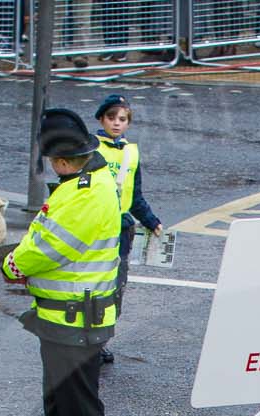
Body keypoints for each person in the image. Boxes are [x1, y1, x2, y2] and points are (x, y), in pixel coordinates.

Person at [0, 108, 122, 416]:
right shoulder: (85, 182)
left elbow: (47, 247)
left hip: (76, 319)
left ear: (64, 161)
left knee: (79, 407)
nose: (53, 167)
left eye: (54, 161)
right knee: (59, 404)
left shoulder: (86, 194)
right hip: (62, 316)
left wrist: (13, 264)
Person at [93, 94, 164, 369]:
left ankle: (101, 340)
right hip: (95, 228)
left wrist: (151, 220)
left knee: (115, 288)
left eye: (122, 119)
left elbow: (135, 196)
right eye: (111, 118)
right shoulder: (91, 149)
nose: (116, 123)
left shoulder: (131, 153)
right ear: (101, 119)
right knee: (93, 285)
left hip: (121, 230)